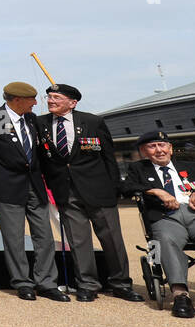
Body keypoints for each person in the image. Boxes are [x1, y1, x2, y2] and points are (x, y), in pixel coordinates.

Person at [35, 84, 142, 303]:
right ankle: (87, 284)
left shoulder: (93, 122)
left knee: (112, 240)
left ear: (72, 103)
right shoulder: (40, 124)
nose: (50, 101)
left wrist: (114, 189)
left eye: (56, 97)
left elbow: (109, 158)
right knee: (78, 242)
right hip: (65, 192)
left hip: (98, 191)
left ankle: (121, 283)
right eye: (49, 97)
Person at [0, 82, 67, 302]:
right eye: (31, 100)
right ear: (16, 100)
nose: (35, 103)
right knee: (14, 238)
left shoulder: (32, 120)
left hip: (35, 186)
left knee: (44, 236)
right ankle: (22, 282)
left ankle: (46, 282)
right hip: (7, 188)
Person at [122, 130, 195, 318]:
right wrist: (157, 191)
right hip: (166, 217)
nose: (159, 150)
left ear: (170, 148)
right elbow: (125, 188)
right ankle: (180, 295)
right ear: (144, 151)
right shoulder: (138, 169)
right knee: (166, 240)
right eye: (152, 146)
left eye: (162, 145)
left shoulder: (193, 166)